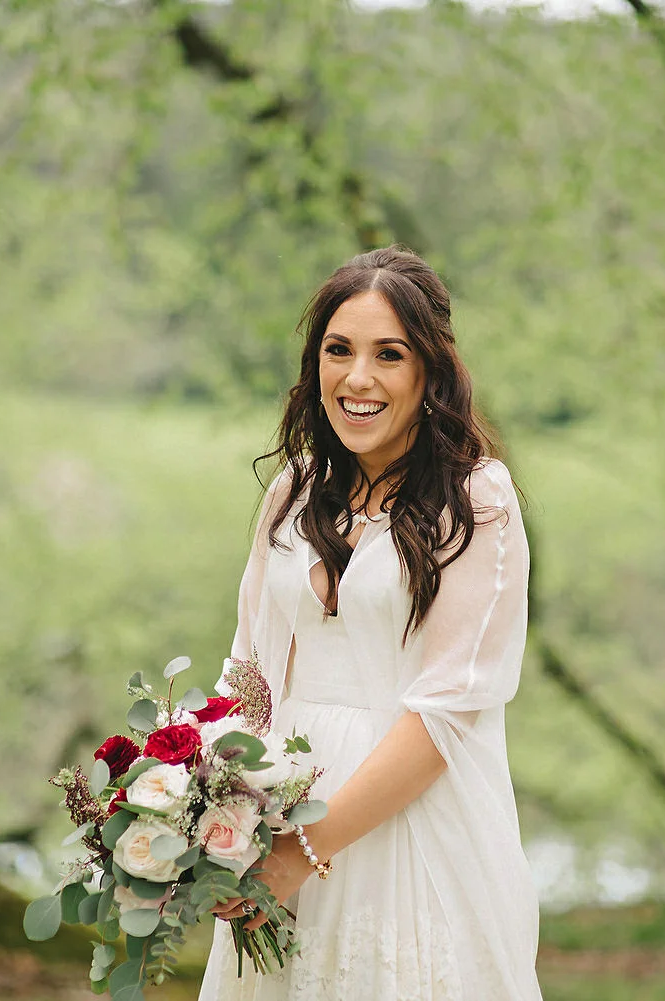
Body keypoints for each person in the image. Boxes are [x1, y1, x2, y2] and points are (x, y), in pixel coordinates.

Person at [197, 246, 542, 1001]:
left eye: (390, 354)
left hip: (407, 833)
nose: (358, 379)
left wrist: (301, 850)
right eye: (338, 350)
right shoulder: (293, 490)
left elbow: (447, 713)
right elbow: (245, 677)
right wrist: (197, 801)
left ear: (431, 371)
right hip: (275, 815)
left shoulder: (478, 500)